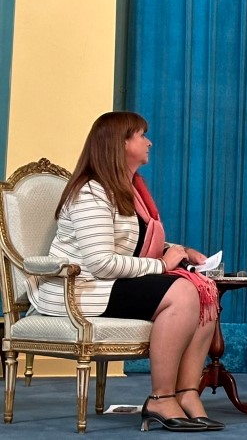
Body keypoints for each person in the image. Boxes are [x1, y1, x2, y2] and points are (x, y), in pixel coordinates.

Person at [27, 112, 221, 432]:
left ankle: (187, 393)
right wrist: (163, 264)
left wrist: (181, 252)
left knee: (204, 290)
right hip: (83, 287)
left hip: (110, 282)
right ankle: (160, 397)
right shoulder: (91, 192)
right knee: (184, 291)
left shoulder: (126, 190)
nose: (149, 142)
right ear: (121, 144)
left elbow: (134, 243)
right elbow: (101, 262)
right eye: (142, 135)